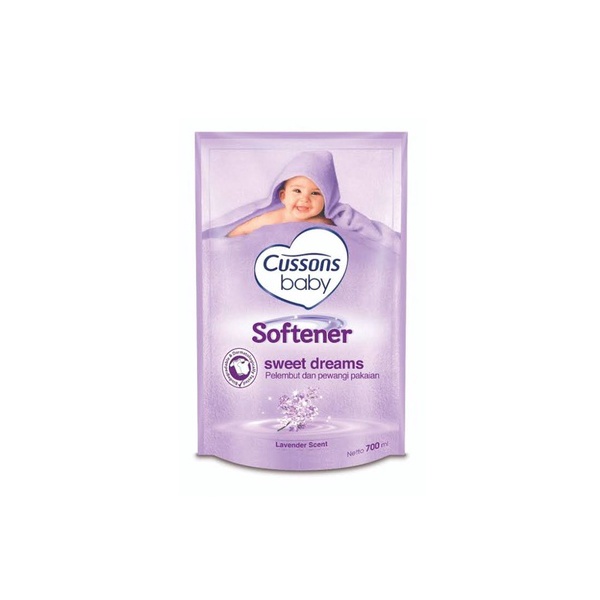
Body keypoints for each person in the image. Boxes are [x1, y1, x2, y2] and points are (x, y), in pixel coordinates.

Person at [227, 175, 334, 237]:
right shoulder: (274, 218)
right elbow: (243, 230)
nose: (305, 199)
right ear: (283, 196)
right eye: (297, 191)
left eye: (315, 193)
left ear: (326, 199)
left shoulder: (326, 223)